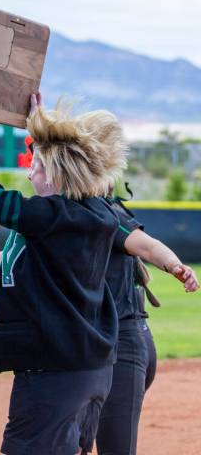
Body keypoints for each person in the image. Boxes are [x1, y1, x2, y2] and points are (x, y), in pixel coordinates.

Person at [0, 89, 127, 455]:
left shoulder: (50, 217)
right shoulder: (100, 213)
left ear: (58, 174)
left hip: (54, 374)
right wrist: (39, 123)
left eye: (37, 166)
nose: (30, 173)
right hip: (92, 369)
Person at [92, 195, 198, 455]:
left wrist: (176, 266)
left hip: (123, 344)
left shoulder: (105, 215)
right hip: (96, 344)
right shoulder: (62, 213)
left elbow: (149, 247)